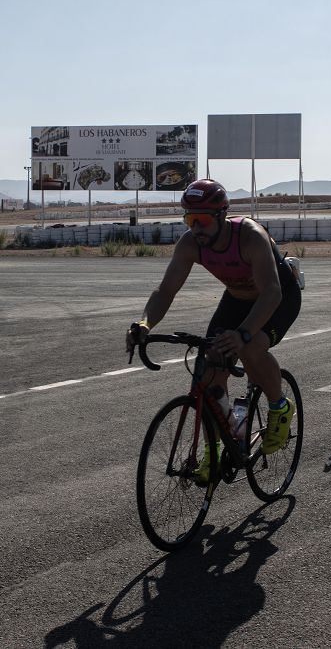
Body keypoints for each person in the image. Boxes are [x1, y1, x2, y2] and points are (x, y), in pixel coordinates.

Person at [124, 179, 302, 482]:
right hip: (237, 299)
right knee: (207, 376)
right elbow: (165, 291)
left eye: (202, 220)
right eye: (189, 220)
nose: (196, 228)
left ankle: (280, 407)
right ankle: (219, 446)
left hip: (277, 297)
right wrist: (145, 324)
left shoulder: (249, 236)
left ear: (222, 215)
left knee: (248, 348)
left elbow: (271, 293)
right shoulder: (190, 244)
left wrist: (244, 333)